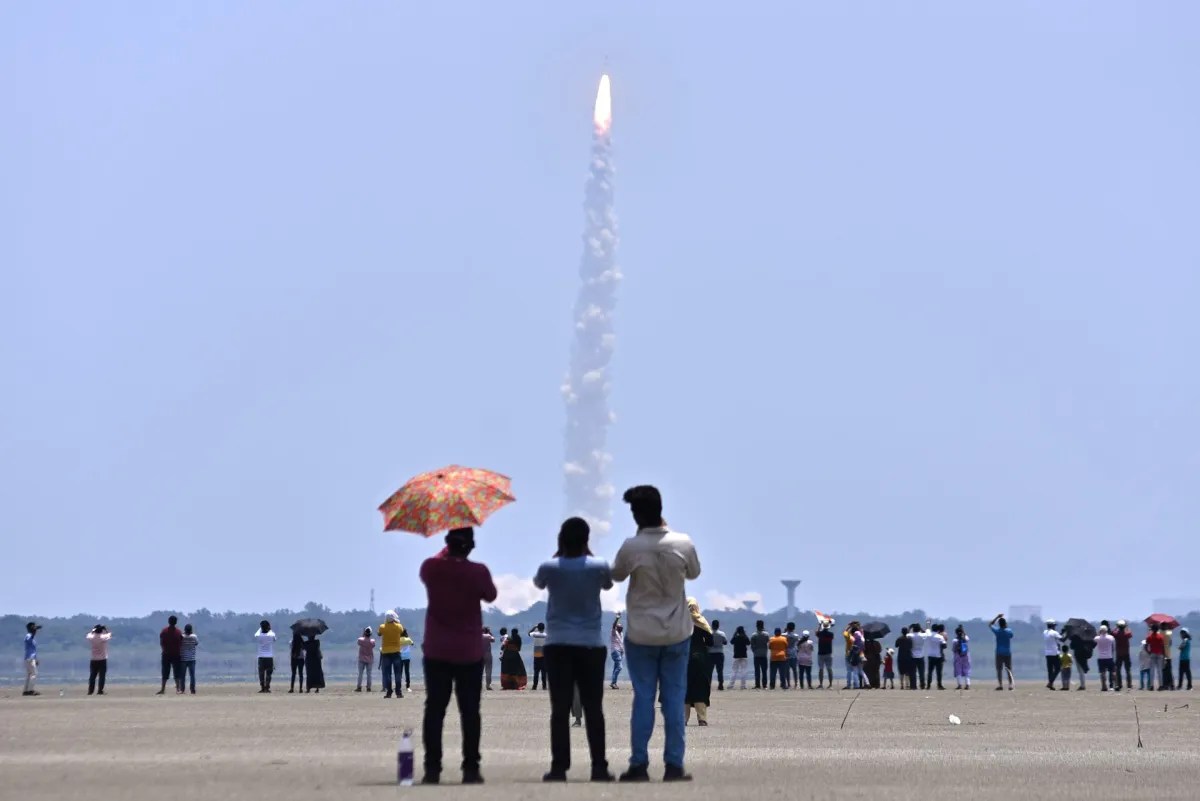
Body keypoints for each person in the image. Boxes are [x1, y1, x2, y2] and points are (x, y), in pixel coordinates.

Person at [610, 485, 701, 783]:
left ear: (636, 514)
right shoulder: (683, 542)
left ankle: (639, 764)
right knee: (674, 700)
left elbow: (617, 575)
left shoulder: (631, 546)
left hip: (640, 635)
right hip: (677, 632)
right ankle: (674, 765)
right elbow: (694, 573)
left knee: (643, 699)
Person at [532, 517, 615, 783]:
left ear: (561, 539)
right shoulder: (598, 565)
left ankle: (559, 767)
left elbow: (538, 582)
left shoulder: (551, 567)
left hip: (558, 644)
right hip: (591, 644)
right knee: (594, 708)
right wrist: (586, 553)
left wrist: (560, 553)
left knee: (559, 708)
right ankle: (599, 767)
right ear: (586, 540)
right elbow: (608, 585)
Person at [419, 527, 498, 785]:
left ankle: (432, 769)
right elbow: (491, 594)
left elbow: (432, 569)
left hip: (437, 649)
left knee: (435, 710)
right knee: (470, 712)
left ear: (447, 543)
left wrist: (447, 552)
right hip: (468, 651)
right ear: (471, 546)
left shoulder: (431, 567)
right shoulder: (478, 571)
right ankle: (471, 768)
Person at [684, 599, 715, 726]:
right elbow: (710, 642)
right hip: (700, 659)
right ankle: (702, 718)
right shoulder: (701, 621)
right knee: (700, 688)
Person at [378, 611, 405, 699]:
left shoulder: (382, 627)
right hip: (396, 652)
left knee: (387, 674)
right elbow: (401, 631)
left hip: (386, 653)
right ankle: (398, 692)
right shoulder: (398, 626)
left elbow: (379, 634)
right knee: (398, 673)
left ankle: (389, 692)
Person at [158, 616, 184, 696]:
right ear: (175, 622)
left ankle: (163, 689)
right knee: (177, 673)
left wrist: (164, 650)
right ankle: (178, 689)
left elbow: (161, 642)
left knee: (165, 672)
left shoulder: (164, 631)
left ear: (169, 621)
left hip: (166, 654)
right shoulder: (179, 632)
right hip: (176, 654)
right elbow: (181, 642)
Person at [86, 624, 112, 696]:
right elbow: (109, 635)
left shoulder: (92, 638)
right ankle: (100, 690)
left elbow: (88, 635)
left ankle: (90, 691)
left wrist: (93, 630)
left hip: (93, 659)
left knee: (92, 676)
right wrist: (105, 629)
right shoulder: (103, 637)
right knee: (102, 676)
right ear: (101, 631)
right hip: (102, 659)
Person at [990, 614, 1014, 690]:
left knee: (999, 670)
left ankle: (1000, 685)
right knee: (1008, 669)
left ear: (999, 624)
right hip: (1007, 652)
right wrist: (1006, 626)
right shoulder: (1009, 631)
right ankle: (1010, 685)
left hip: (999, 652)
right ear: (1005, 624)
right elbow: (1011, 635)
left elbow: (990, 624)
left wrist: (997, 617)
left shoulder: (997, 631)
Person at [254, 620, 276, 693]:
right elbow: (274, 638)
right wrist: (269, 629)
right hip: (269, 657)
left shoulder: (259, 636)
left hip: (261, 657)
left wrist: (260, 628)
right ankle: (267, 687)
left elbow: (256, 634)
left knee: (261, 673)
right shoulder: (271, 635)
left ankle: (262, 687)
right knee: (269, 673)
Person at [1094, 625, 1116, 692]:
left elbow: (1095, 639)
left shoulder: (1097, 638)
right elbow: (1113, 643)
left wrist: (1099, 633)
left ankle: (1104, 686)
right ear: (1107, 630)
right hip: (1109, 657)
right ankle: (1114, 685)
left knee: (1102, 673)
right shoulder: (1111, 637)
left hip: (1101, 657)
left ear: (1100, 630)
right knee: (1113, 671)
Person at [1113, 620, 1134, 691]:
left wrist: (1116, 627)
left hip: (1119, 654)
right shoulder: (1126, 634)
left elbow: (1113, 632)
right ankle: (1129, 684)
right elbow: (1130, 634)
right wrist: (1127, 627)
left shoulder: (1116, 634)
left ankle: (1119, 684)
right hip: (1126, 653)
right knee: (1128, 670)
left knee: (1118, 670)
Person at [1043, 620, 1063, 690]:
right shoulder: (1054, 632)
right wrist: (1067, 634)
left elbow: (1054, 637)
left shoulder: (1045, 632)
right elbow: (1062, 639)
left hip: (1047, 653)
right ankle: (1050, 682)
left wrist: (1061, 633)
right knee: (1058, 668)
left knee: (1050, 670)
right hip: (1054, 653)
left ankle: (1051, 684)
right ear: (1053, 625)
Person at [750, 621, 770, 690]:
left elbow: (752, 646)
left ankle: (757, 685)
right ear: (763, 626)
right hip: (764, 654)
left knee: (757, 671)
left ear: (756, 626)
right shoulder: (766, 634)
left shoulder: (754, 635)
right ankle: (765, 685)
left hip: (756, 655)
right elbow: (768, 643)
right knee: (764, 671)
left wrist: (754, 652)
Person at [709, 619, 728, 691]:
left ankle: (708, 684)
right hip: (719, 653)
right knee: (720, 670)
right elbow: (725, 642)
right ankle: (720, 685)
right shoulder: (722, 633)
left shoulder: (709, 633)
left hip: (710, 654)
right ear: (718, 626)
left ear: (712, 625)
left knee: (709, 671)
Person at [730, 625, 751, 690]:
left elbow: (731, 642)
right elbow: (748, 643)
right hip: (744, 655)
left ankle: (731, 685)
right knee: (743, 671)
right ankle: (743, 685)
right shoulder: (744, 637)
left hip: (736, 655)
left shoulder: (736, 637)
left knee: (734, 671)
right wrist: (745, 634)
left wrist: (734, 634)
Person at [23, 621, 41, 696]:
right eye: (34, 628)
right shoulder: (28, 635)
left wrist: (36, 659)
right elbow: (28, 639)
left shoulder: (32, 637)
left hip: (30, 658)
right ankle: (30, 690)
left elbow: (33, 650)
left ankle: (26, 690)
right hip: (29, 658)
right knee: (34, 674)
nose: (36, 630)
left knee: (29, 675)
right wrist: (33, 631)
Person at [908, 622, 928, 690]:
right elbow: (926, 633)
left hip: (912, 656)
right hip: (921, 656)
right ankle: (922, 685)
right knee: (921, 672)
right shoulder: (922, 636)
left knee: (913, 672)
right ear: (919, 629)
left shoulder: (910, 635)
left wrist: (910, 627)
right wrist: (921, 629)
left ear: (913, 629)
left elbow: (905, 634)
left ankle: (913, 686)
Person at [529, 622, 548, 690]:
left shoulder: (535, 634)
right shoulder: (546, 635)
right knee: (544, 672)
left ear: (538, 628)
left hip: (536, 655)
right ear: (544, 628)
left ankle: (534, 686)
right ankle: (544, 686)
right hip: (544, 655)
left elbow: (529, 633)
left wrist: (534, 627)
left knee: (536, 672)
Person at [927, 624, 947, 690]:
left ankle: (928, 685)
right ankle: (939, 685)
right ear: (937, 629)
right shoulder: (940, 637)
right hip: (938, 656)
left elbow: (927, 630)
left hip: (930, 655)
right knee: (939, 672)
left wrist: (928, 624)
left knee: (930, 672)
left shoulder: (929, 635)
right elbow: (944, 646)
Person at [1146, 624, 1166, 690]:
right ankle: (1161, 685)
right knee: (1159, 671)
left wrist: (1148, 652)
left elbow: (1146, 646)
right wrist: (1164, 655)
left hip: (1152, 654)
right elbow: (1163, 647)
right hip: (1160, 654)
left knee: (1152, 671)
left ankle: (1151, 686)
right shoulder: (1160, 637)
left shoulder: (1149, 637)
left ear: (1152, 629)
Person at [816, 621, 835, 689]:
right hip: (828, 653)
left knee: (821, 669)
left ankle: (821, 684)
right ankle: (830, 684)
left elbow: (816, 632)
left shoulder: (820, 634)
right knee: (829, 669)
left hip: (821, 653)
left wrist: (820, 625)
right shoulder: (831, 634)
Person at [180, 624, 198, 695]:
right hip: (192, 659)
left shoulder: (182, 636)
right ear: (191, 629)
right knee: (192, 675)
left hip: (183, 658)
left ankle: (182, 689)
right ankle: (192, 690)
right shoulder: (194, 636)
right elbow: (196, 643)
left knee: (183, 675)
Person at [356, 628, 376, 692]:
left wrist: (363, 635)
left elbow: (359, 642)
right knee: (369, 674)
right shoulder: (372, 641)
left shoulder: (360, 640)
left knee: (360, 674)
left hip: (361, 658)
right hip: (370, 659)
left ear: (365, 633)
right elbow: (373, 645)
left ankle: (359, 687)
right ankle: (369, 687)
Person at [952, 625, 971, 690]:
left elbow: (954, 649)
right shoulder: (966, 638)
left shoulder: (954, 640)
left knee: (958, 670)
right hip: (966, 656)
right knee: (966, 670)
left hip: (958, 656)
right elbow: (966, 636)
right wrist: (963, 630)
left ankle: (960, 685)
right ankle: (967, 684)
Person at [399, 625, 416, 693]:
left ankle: (398, 685)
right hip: (407, 657)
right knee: (407, 672)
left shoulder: (398, 639)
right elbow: (412, 644)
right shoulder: (408, 639)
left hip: (400, 657)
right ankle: (408, 686)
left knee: (399, 672)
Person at [784, 622, 801, 689]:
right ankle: (796, 683)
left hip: (786, 653)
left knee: (787, 670)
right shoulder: (796, 636)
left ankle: (788, 683)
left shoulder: (784, 635)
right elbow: (798, 642)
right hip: (794, 653)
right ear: (793, 628)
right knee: (794, 670)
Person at [609, 617, 625, 689]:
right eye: (619, 627)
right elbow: (613, 625)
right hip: (615, 651)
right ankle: (613, 683)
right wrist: (617, 618)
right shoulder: (614, 632)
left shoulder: (621, 633)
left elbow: (621, 643)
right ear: (617, 628)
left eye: (621, 627)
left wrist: (623, 651)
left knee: (615, 667)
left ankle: (614, 683)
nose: (621, 628)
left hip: (620, 652)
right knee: (619, 667)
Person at [1162, 626, 1176, 691]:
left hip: (1163, 655)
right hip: (1169, 655)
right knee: (1169, 671)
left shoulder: (1160, 633)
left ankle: (1166, 685)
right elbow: (1170, 643)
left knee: (1164, 671)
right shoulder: (1168, 633)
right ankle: (1171, 685)